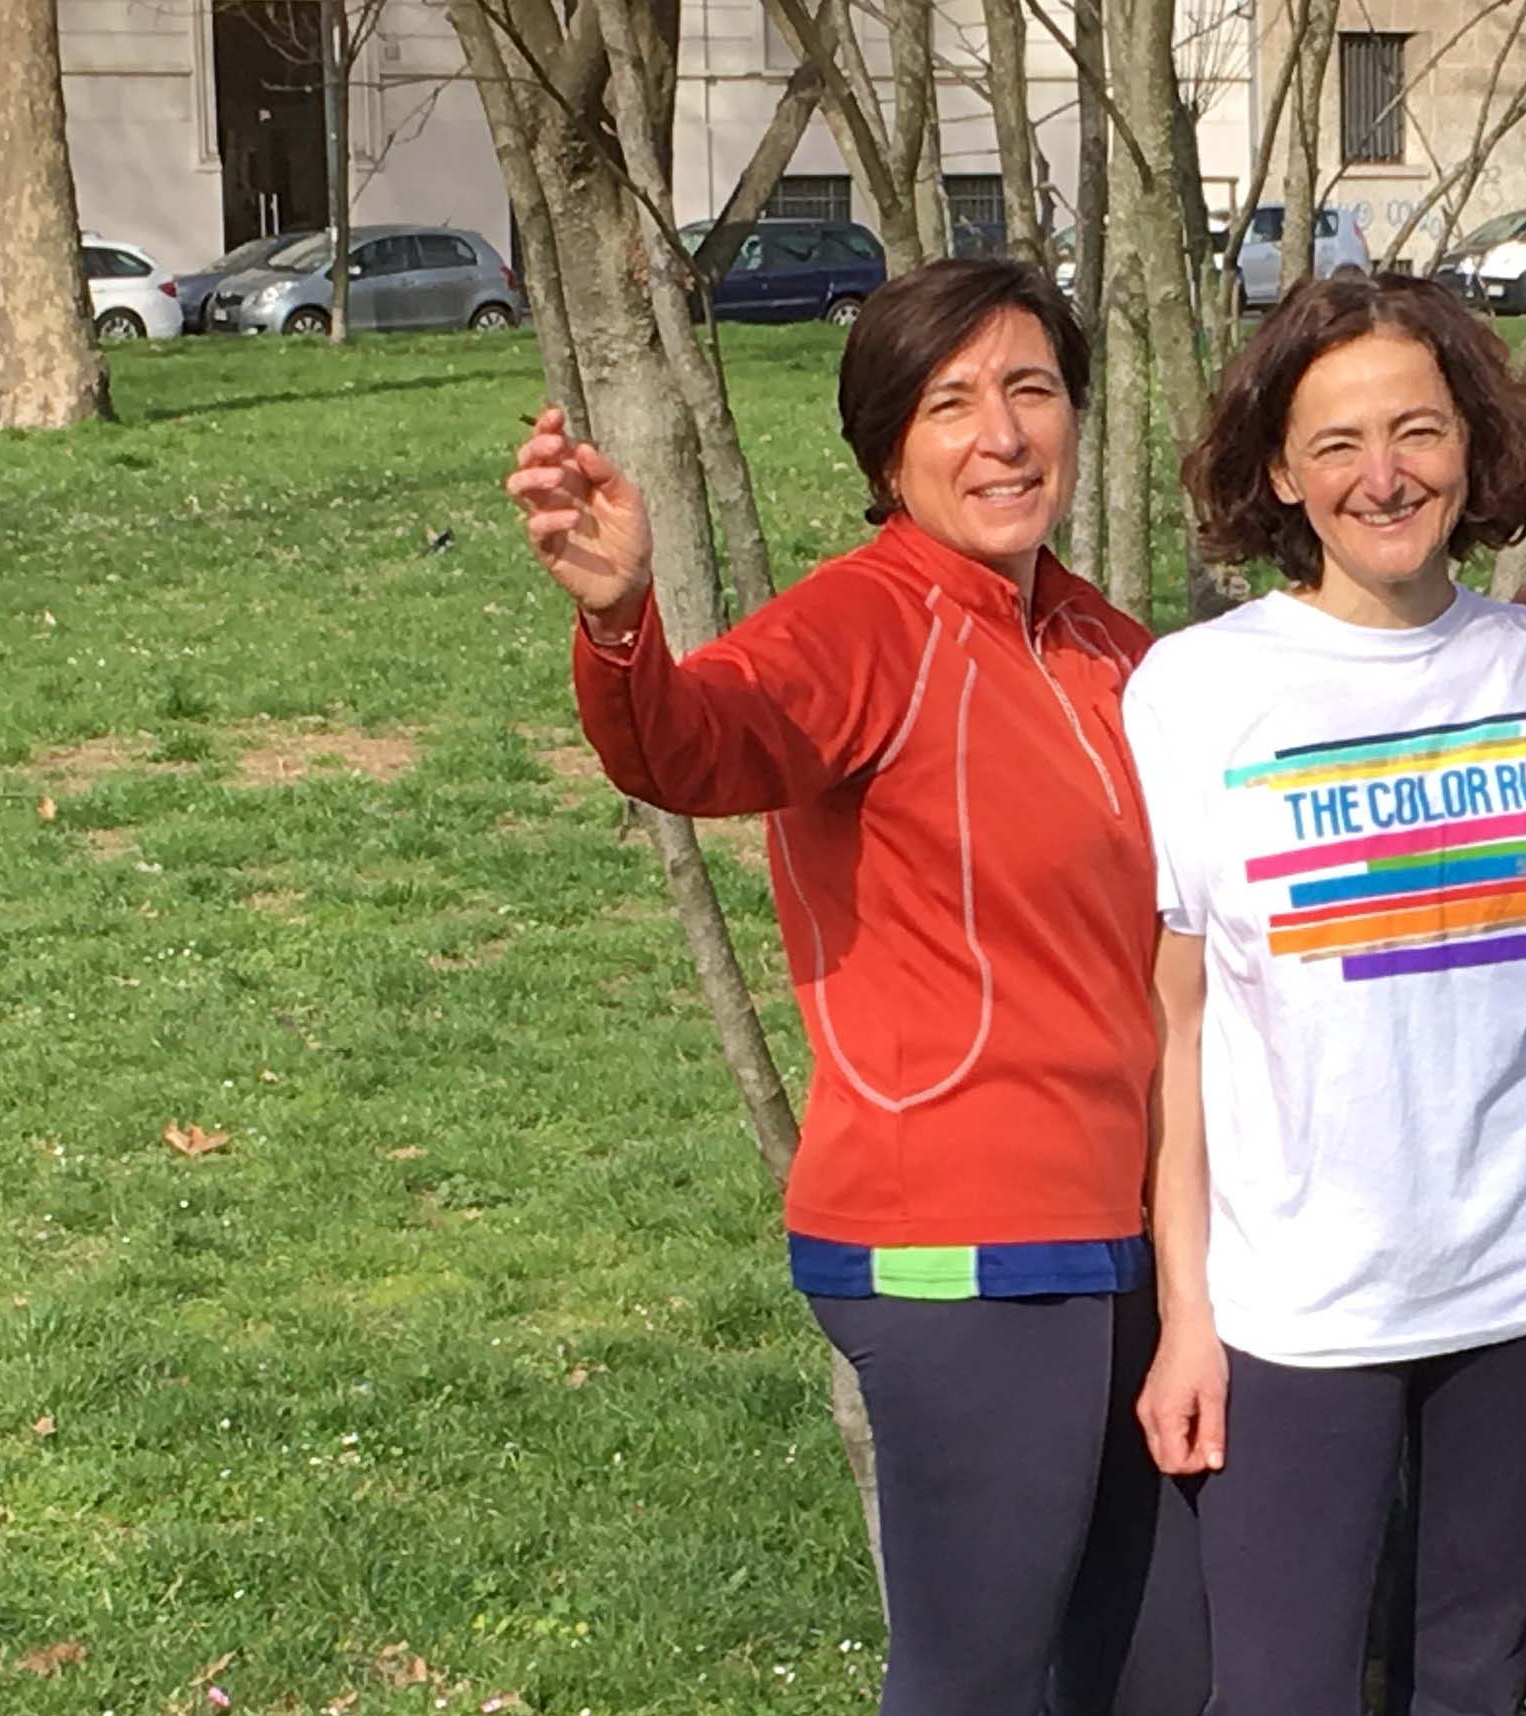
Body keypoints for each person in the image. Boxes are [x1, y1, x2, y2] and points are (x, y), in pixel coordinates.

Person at [503, 259, 1202, 1716]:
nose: (1002, 435)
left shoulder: (1110, 647)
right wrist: (625, 624)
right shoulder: (862, 623)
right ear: (890, 449)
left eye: (1031, 391)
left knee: (1162, 1678)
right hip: (956, 1244)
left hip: (1140, 1241)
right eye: (951, 404)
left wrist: (1483, 645)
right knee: (977, 1680)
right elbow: (697, 746)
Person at [1122, 273, 1526, 1716]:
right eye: (1337, 442)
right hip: (1300, 1308)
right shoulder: (1196, 690)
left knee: (1471, 1682)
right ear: (1281, 469)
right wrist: (1188, 1313)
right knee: (1279, 1690)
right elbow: (1181, 1027)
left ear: (1472, 444)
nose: (1383, 474)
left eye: (1418, 429)